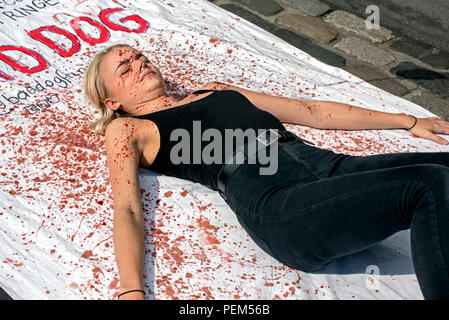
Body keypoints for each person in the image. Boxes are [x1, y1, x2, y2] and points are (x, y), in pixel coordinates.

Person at [84, 43, 449, 300]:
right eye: (125, 68)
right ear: (112, 102)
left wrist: (408, 121)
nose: (140, 64)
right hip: (278, 203)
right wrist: (131, 290)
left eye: (139, 56)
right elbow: (128, 208)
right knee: (428, 185)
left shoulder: (215, 90)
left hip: (329, 165)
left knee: (440, 168)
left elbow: (312, 112)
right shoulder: (127, 129)